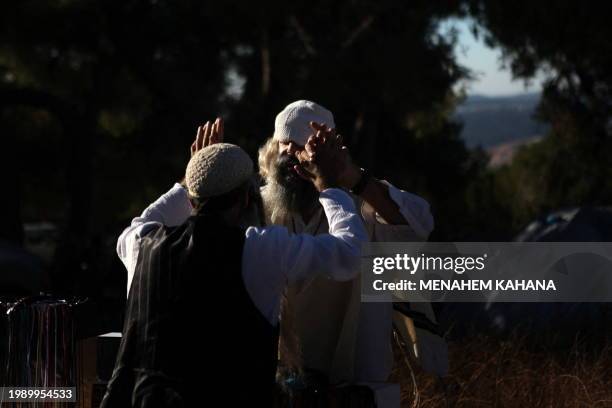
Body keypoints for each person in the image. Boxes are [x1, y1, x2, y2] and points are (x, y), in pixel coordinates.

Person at [101, 119, 368, 407]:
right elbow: (349, 254)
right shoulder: (258, 248)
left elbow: (147, 218)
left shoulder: (139, 243)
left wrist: (197, 171)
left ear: (192, 195)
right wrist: (328, 184)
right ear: (245, 198)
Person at [258, 100, 448, 392]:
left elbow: (418, 225)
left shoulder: (361, 203)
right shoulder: (261, 207)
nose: (294, 158)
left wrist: (353, 178)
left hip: (353, 379)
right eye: (286, 147)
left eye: (303, 150)